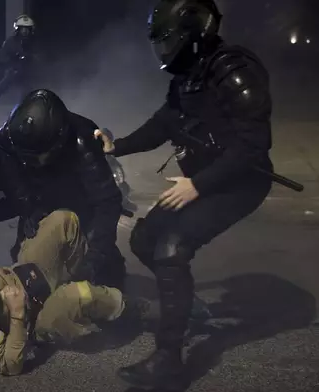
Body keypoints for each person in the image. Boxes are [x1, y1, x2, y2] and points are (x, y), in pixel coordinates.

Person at [95, 0, 273, 389]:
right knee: (144, 239)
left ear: (195, 34)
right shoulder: (189, 77)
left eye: (169, 40)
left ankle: (169, 360)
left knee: (172, 246)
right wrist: (117, 146)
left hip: (241, 182)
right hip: (206, 180)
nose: (163, 50)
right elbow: (164, 123)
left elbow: (253, 147)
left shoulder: (234, 71)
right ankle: (188, 306)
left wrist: (199, 185)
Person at [0, 208, 126, 376]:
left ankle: (91, 280)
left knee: (62, 220)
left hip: (27, 275)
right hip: (36, 317)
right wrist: (16, 315)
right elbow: (9, 365)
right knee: (78, 294)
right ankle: (126, 308)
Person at [0, 89, 127, 291]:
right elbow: (13, 178)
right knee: (25, 254)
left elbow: (107, 201)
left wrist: (95, 256)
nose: (31, 161)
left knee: (102, 260)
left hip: (79, 190)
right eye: (26, 156)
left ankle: (117, 301)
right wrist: (28, 206)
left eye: (38, 156)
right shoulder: (10, 138)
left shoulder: (82, 141)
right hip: (38, 193)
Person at [0, 15, 39, 102]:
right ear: (17, 29)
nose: (25, 32)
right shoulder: (11, 41)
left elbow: (39, 55)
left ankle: (27, 99)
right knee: (9, 77)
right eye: (22, 29)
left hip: (29, 69)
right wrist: (8, 62)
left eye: (27, 29)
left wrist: (32, 58)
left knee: (28, 85)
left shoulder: (34, 42)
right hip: (13, 67)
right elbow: (2, 55)